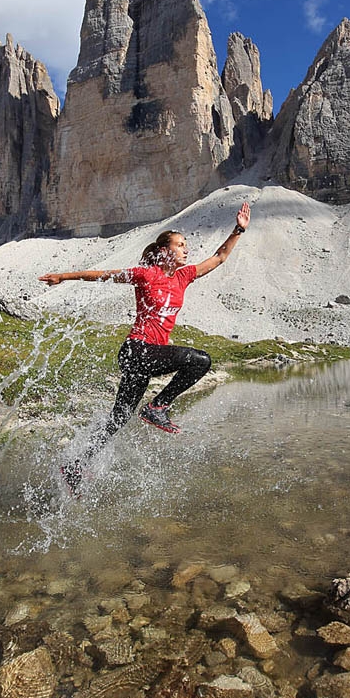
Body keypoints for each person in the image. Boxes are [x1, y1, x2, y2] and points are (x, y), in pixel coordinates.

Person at [39, 202, 252, 492]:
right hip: (136, 351)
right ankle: (158, 407)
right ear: (164, 251)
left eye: (186, 245)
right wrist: (63, 276)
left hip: (146, 360)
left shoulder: (184, 276)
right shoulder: (145, 275)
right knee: (200, 360)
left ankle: (76, 465)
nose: (186, 249)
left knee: (119, 419)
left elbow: (219, 257)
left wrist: (238, 229)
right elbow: (102, 275)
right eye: (180, 245)